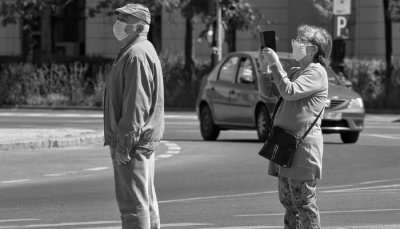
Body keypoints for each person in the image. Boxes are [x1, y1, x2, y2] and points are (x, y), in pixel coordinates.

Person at [260, 25, 332, 229]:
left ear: (314, 49)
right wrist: (264, 67)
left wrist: (275, 64)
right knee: (289, 203)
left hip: (302, 149)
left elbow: (289, 92)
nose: (295, 43)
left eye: (301, 40)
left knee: (303, 203)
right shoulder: (295, 71)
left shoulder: (316, 73)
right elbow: (268, 93)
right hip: (285, 145)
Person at [103, 3, 164, 229]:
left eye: (123, 20)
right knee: (146, 203)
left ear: (138, 27)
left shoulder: (136, 54)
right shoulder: (139, 50)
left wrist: (123, 145)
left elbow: (135, 106)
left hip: (133, 144)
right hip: (141, 142)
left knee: (133, 206)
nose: (117, 24)